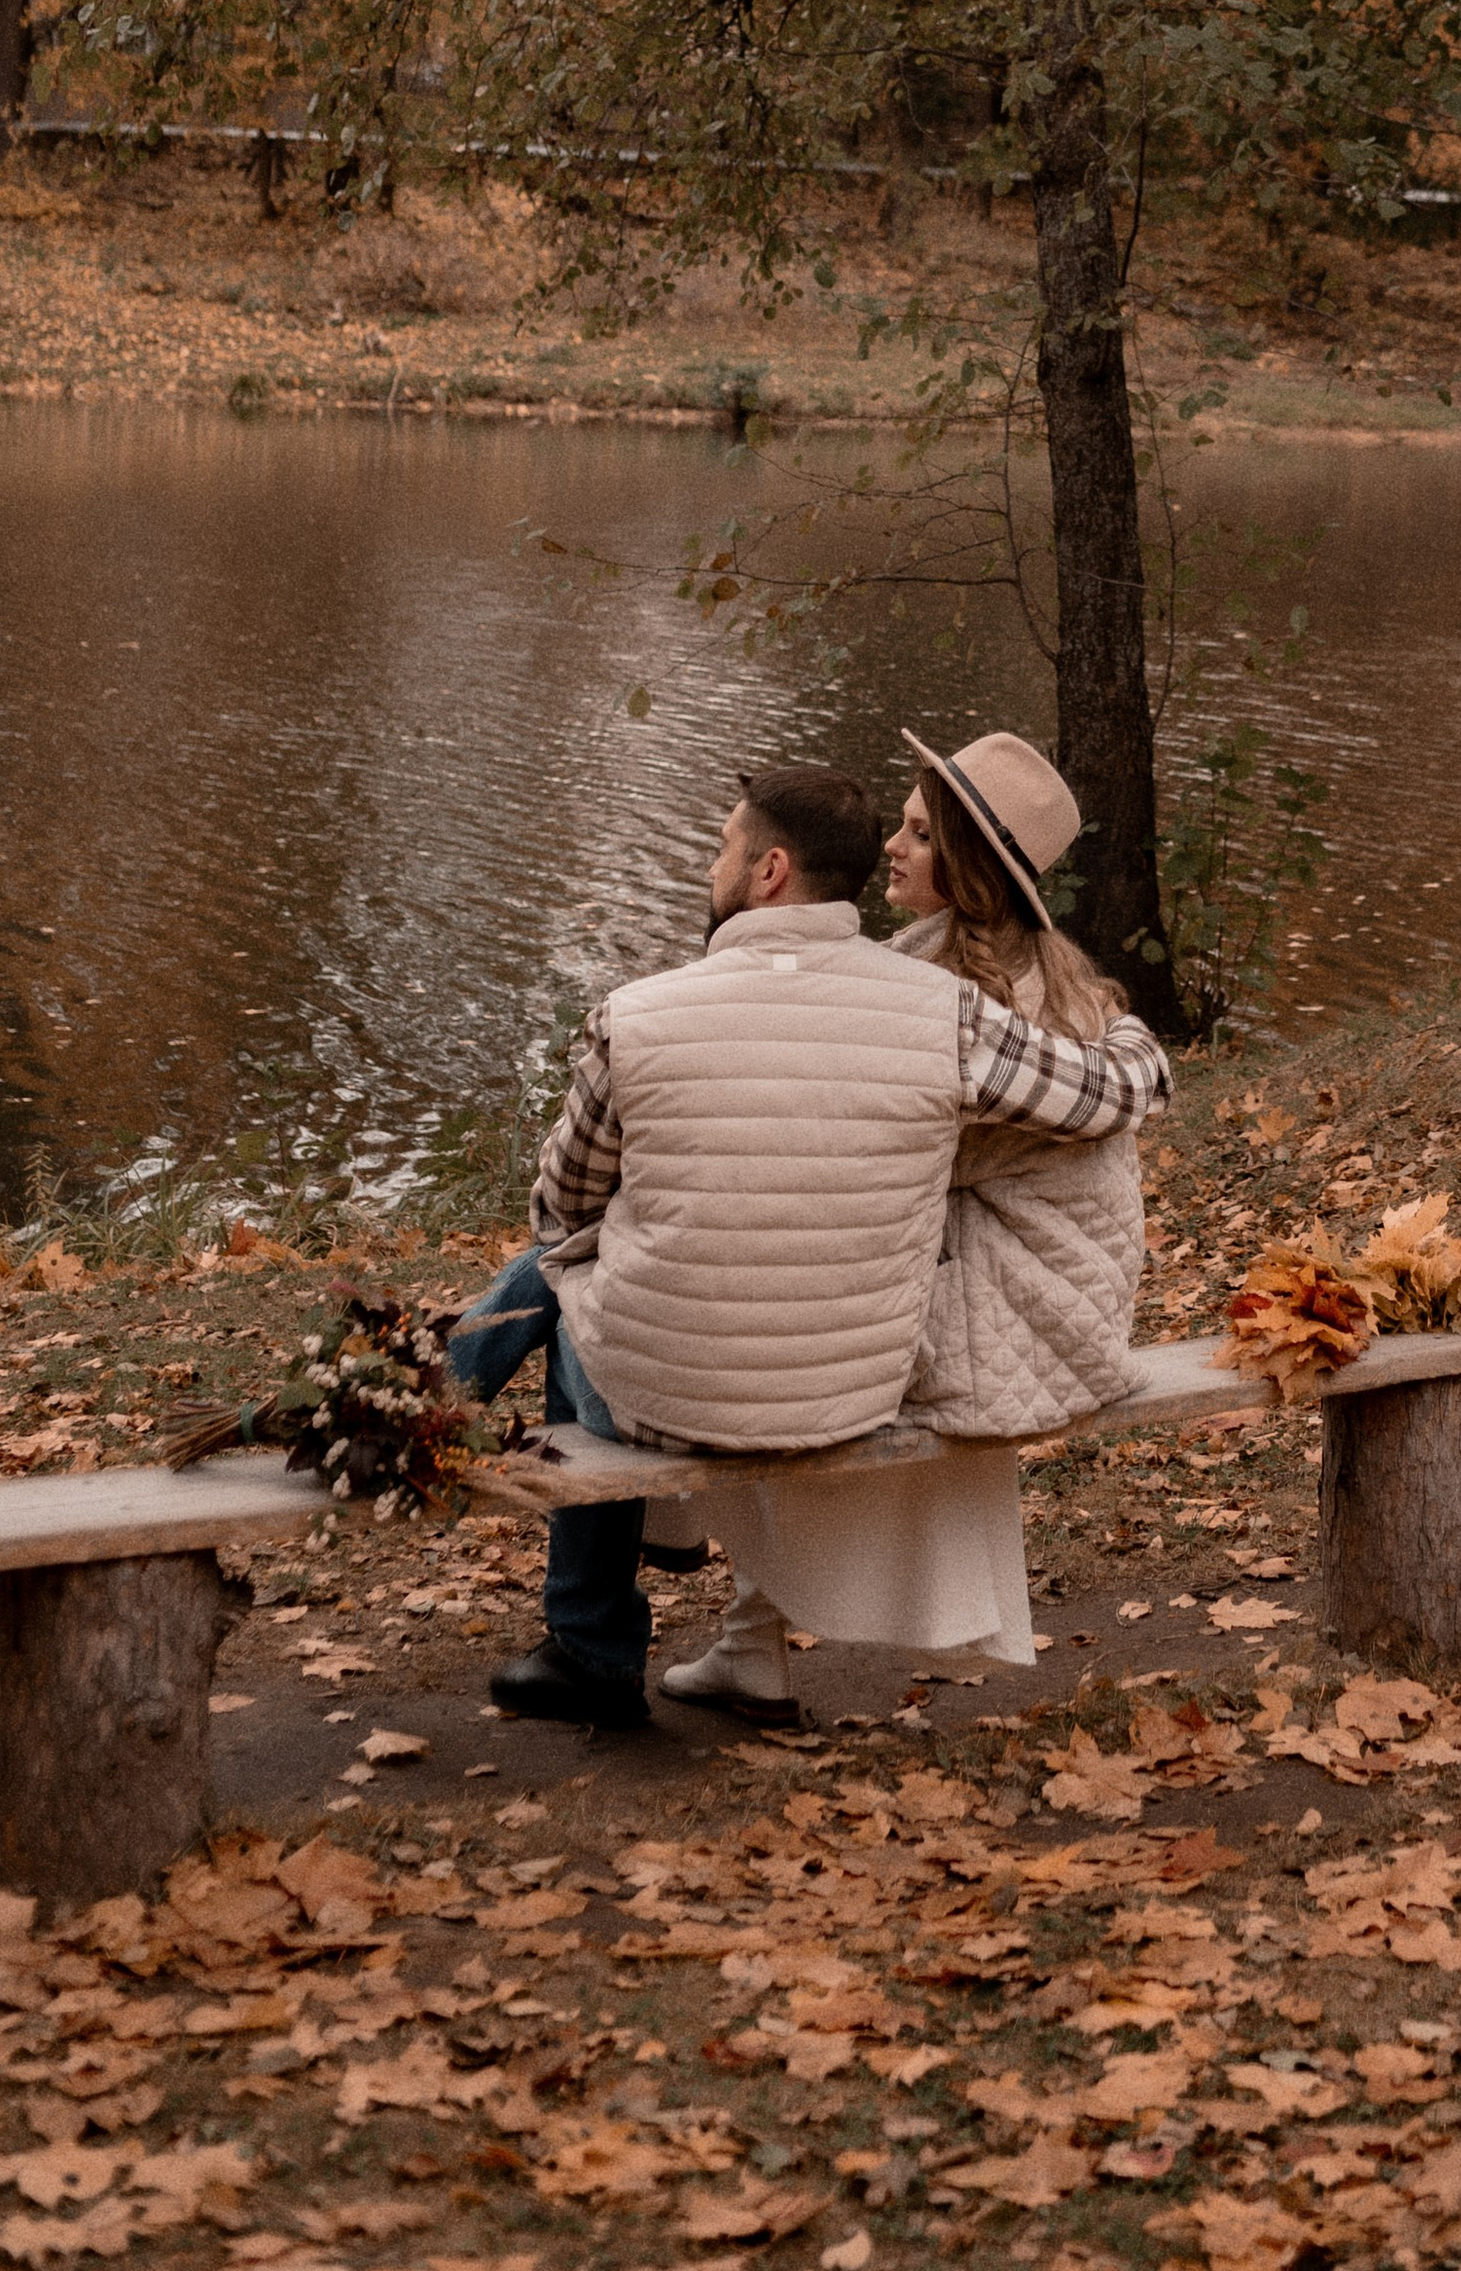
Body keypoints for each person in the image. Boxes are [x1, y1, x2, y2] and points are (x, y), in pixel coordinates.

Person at [450, 758, 1167, 1728]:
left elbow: (560, 1208)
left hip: (685, 1393)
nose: (711, 862)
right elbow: (1103, 1094)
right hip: (851, 1387)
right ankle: (447, 1407)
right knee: (583, 1281)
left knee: (559, 1279)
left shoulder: (639, 1013)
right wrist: (1132, 1040)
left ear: (769, 870)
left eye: (721, 846)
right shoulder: (947, 1013)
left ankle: (582, 1628)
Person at [663, 728, 1158, 1720]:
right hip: (1030, 1281)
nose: (891, 844)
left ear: (967, 871)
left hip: (1029, 1304)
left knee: (754, 1328)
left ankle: (703, 1587)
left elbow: (891, 1158)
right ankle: (743, 1639)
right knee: (763, 1298)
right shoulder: (993, 963)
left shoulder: (963, 995)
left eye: (920, 834)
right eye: (899, 821)